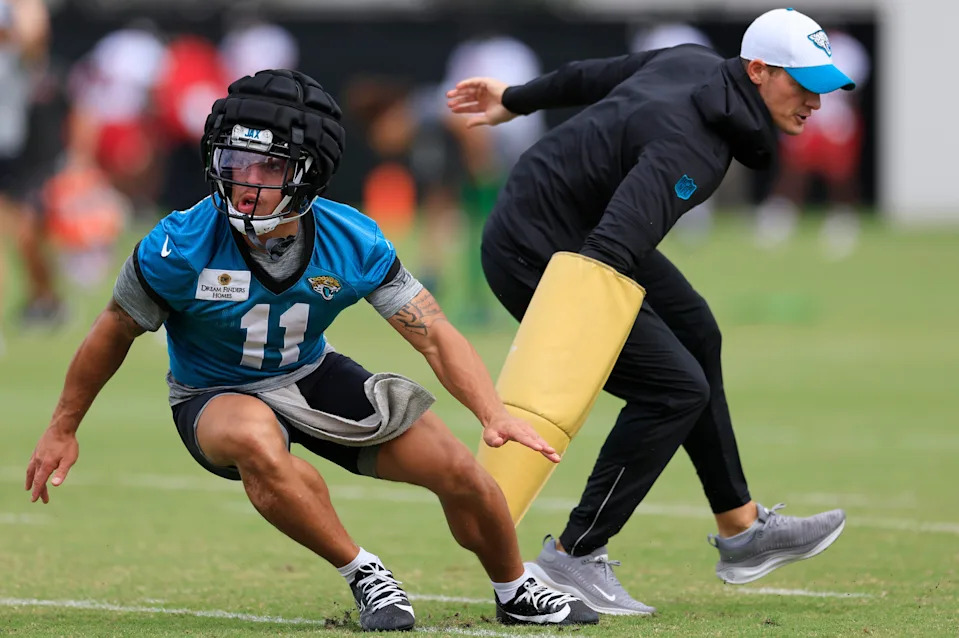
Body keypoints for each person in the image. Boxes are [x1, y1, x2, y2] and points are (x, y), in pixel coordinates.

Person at [24, 69, 598, 631]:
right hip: (213, 393)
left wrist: (492, 413)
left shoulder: (352, 240)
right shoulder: (179, 244)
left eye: (268, 166)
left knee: (457, 470)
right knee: (255, 437)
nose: (246, 181)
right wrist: (62, 427)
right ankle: (364, 571)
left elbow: (434, 333)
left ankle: (515, 589)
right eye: (235, 161)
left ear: (309, 173)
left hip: (309, 372)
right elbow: (113, 329)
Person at [446, 8, 849, 615]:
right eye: (804, 84)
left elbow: (591, 75)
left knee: (697, 332)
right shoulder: (692, 147)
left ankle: (741, 529)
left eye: (824, 87)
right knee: (674, 389)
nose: (816, 102)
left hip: (571, 225)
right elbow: (609, 254)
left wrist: (516, 98)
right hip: (537, 251)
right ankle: (575, 555)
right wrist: (563, 361)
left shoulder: (693, 60)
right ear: (759, 71)